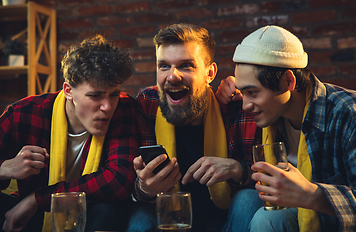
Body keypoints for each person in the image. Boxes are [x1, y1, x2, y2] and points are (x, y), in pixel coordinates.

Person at [215, 25, 356, 231]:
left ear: (289, 81)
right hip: (291, 216)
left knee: (266, 220)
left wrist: (312, 195)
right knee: (249, 201)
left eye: (253, 92)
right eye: (242, 92)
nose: (245, 105)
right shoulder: (270, 116)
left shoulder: (349, 114)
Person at [126, 23, 262, 232]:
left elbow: (268, 179)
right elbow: (133, 192)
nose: (172, 76)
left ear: (210, 73)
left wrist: (237, 168)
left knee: (248, 199)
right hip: (169, 221)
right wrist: (144, 189)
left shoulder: (235, 108)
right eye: (163, 66)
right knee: (139, 219)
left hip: (224, 222)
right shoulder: (148, 103)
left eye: (186, 65)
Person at [0, 35, 141, 232]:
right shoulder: (24, 113)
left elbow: (118, 180)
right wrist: (4, 169)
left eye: (114, 94)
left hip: (88, 215)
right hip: (30, 217)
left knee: (107, 210)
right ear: (68, 90)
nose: (107, 107)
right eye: (95, 95)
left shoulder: (124, 109)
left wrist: (36, 199)